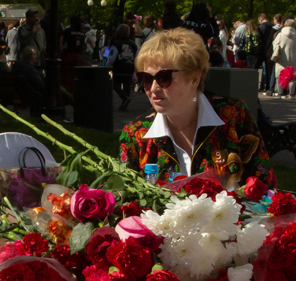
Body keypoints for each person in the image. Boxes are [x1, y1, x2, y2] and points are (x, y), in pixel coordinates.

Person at [118, 27, 276, 185]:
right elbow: (127, 202)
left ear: (194, 79)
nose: (153, 88)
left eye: (163, 78)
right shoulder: (136, 135)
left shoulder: (234, 115)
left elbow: (264, 187)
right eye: (146, 78)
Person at [109, 23, 136, 108]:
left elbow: (112, 57)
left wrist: (107, 66)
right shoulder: (133, 45)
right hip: (130, 68)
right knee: (127, 86)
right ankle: (125, 102)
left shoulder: (117, 44)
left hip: (119, 67)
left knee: (115, 85)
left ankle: (124, 97)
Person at [12, 46, 46, 112]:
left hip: (20, 92)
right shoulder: (28, 68)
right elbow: (39, 84)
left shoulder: (17, 65)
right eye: (34, 54)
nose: (36, 56)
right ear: (28, 55)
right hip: (31, 94)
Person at [270, 19, 296, 95]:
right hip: (294, 57)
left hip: (281, 57)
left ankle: (280, 92)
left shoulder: (280, 34)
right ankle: (291, 94)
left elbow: (275, 45)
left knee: (280, 75)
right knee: (293, 76)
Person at [257, 14, 276, 92]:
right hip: (270, 50)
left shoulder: (261, 27)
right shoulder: (273, 27)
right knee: (269, 70)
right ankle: (268, 86)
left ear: (261, 20)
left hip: (261, 50)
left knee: (258, 68)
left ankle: (261, 85)